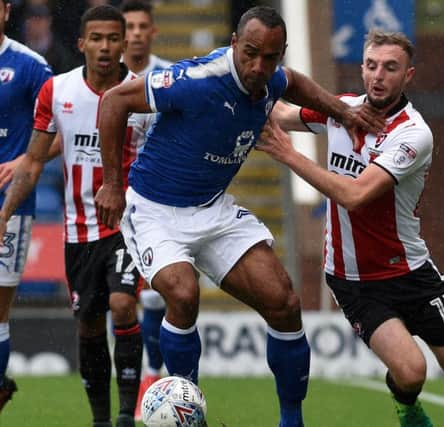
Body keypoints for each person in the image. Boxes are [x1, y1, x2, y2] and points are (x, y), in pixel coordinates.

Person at [94, 6, 383, 427]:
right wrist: (112, 184)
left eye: (270, 57)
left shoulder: (272, 76)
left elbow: (295, 83)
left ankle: (291, 420)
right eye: (250, 53)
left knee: (283, 302)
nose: (258, 66)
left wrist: (341, 111)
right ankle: (185, 415)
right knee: (183, 293)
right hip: (154, 209)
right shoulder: (197, 81)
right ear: (233, 43)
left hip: (212, 207)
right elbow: (114, 100)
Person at [257, 30, 444, 427]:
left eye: (390, 68)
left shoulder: (413, 134)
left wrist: (288, 156)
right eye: (372, 66)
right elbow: (280, 114)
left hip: (412, 272)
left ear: (408, 75)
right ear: (361, 68)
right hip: (354, 280)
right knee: (412, 372)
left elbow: (356, 195)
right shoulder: (340, 110)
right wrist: (238, 82)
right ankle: (406, 403)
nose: (379, 76)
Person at [0, 5, 147, 427]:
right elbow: (32, 161)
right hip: (76, 228)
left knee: (122, 305)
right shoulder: (57, 90)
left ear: (124, 44)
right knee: (87, 324)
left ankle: (125, 414)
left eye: (112, 39)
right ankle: (100, 418)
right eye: (96, 39)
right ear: (81, 43)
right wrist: (6, 211)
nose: (104, 47)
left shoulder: (142, 93)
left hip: (125, 225)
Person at [119, 0, 173, 419]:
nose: (136, 33)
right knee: (118, 299)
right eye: (129, 27)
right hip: (115, 203)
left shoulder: (169, 76)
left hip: (160, 201)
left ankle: (154, 373)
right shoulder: (107, 76)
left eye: (142, 26)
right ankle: (134, 378)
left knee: (156, 296)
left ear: (152, 31)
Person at [0, 0, 52, 412]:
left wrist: (26, 159)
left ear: (5, 11)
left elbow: (63, 125)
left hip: (10, 205)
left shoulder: (31, 66)